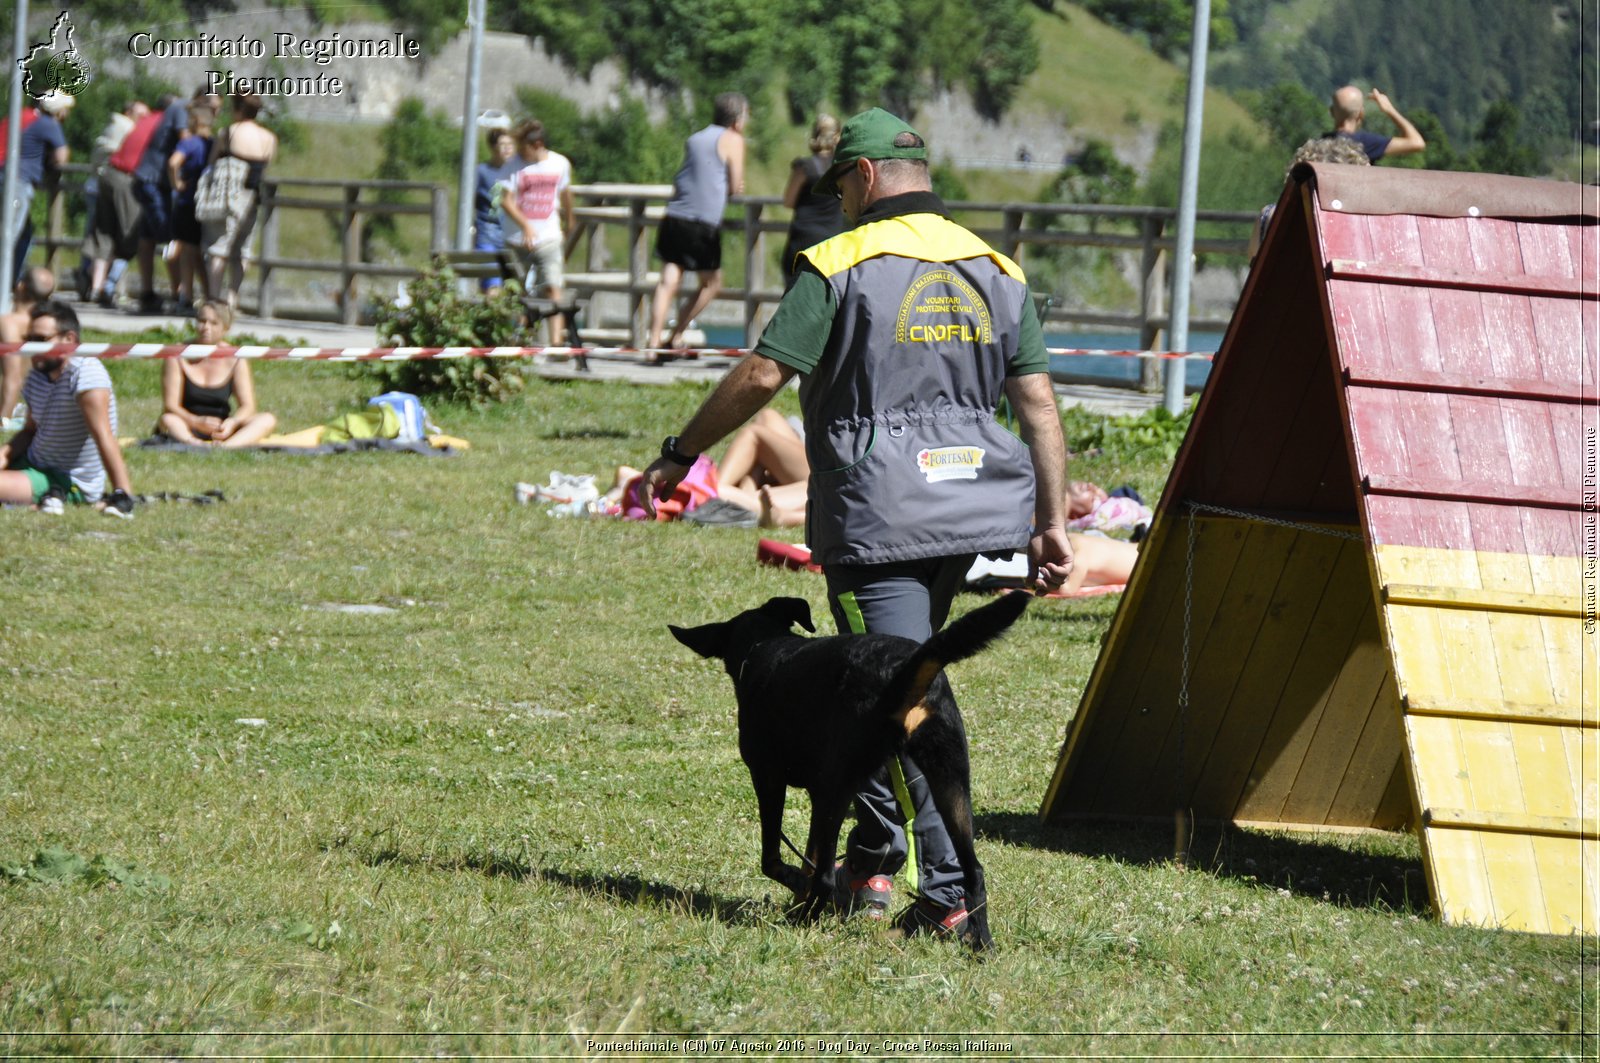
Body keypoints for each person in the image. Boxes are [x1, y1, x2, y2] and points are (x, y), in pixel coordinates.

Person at [638, 108, 1073, 937]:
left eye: (840, 183)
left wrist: (681, 449)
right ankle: (873, 856)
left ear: (865, 177)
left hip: (882, 518)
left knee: (893, 701)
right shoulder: (997, 265)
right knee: (903, 680)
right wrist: (1050, 520)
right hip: (976, 511)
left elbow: (765, 369)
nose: (837, 198)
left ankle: (947, 892)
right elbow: (1039, 402)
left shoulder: (839, 261)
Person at [0, 300, 134, 517]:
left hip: (66, 479)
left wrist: (123, 493)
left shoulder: (86, 374)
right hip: (33, 463)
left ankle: (52, 498)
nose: (32, 347)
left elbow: (104, 436)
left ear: (69, 340)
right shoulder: (36, 375)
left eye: (41, 340)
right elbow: (30, 430)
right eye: (29, 339)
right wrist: (4, 454)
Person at [646, 92, 748, 361]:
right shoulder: (733, 139)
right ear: (737, 119)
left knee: (668, 280)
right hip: (703, 221)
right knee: (712, 283)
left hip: (675, 214)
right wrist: (734, 186)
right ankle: (676, 335)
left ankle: (653, 342)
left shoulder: (695, 138)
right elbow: (735, 185)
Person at [134, 87, 219, 312]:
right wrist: (177, 184)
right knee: (172, 240)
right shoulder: (185, 113)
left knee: (159, 239)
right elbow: (181, 151)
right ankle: (180, 292)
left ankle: (168, 293)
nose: (215, 115)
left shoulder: (188, 127)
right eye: (213, 110)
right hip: (157, 182)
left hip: (166, 188)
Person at [153, 300, 277, 447]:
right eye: (202, 321)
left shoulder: (236, 358)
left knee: (267, 419)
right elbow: (170, 405)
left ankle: (226, 447)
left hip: (221, 427)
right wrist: (196, 421)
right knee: (168, 419)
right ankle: (196, 444)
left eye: (213, 323)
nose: (206, 327)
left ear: (226, 328)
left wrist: (232, 423)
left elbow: (248, 406)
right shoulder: (177, 354)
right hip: (187, 424)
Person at [499, 120, 573, 344]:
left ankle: (556, 345)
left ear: (537, 144)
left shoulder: (559, 163)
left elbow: (566, 193)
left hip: (549, 236)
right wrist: (526, 226)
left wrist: (570, 219)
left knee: (552, 287)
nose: (520, 152)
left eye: (524, 147)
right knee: (519, 294)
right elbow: (506, 201)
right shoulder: (513, 166)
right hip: (517, 239)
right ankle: (521, 341)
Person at [88, 96, 166, 309]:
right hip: (126, 179)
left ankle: (96, 288)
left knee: (104, 233)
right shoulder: (163, 124)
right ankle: (109, 286)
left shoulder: (143, 122)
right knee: (131, 236)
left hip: (109, 174)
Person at [202, 93, 276, 310]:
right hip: (252, 196)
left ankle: (214, 298)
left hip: (228, 196)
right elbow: (266, 165)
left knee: (219, 247)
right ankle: (233, 297)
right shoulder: (269, 138)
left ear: (237, 109)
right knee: (242, 250)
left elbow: (212, 162)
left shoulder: (229, 133)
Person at [75, 99, 149, 303]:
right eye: (139, 114)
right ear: (128, 112)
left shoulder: (115, 126)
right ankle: (104, 285)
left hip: (100, 184)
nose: (142, 119)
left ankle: (94, 284)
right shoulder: (123, 127)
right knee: (119, 236)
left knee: (101, 235)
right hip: (116, 185)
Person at [780, 114, 847, 288]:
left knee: (793, 294)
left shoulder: (805, 167)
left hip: (802, 238)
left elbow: (788, 201)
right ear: (837, 137)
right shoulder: (842, 168)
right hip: (830, 240)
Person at [12, 90, 72, 283]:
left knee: (23, 233)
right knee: (12, 233)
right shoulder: (48, 123)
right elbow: (61, 157)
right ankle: (7, 282)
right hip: (18, 182)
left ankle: (12, 279)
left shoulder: (25, 118)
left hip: (9, 177)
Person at [167, 102, 215, 311]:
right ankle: (205, 294)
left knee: (188, 250)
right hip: (206, 202)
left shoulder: (190, 143)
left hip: (187, 201)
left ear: (195, 122)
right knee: (195, 251)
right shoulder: (213, 144)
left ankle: (189, 295)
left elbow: (173, 162)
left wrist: (175, 183)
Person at [1, 266, 56, 421]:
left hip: (13, 407)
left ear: (21, 286)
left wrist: (4, 419)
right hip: (37, 407)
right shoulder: (47, 324)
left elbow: (13, 376)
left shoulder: (9, 323)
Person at [472, 125, 522, 290]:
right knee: (492, 284)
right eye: (503, 145)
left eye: (511, 144)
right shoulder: (481, 171)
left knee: (512, 286)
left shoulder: (518, 172)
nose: (508, 149)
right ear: (493, 147)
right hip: (487, 232)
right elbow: (469, 200)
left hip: (511, 235)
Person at [1327, 85, 1425, 164]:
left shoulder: (1321, 144)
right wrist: (1390, 109)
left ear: (1331, 112)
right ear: (1361, 114)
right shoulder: (1365, 143)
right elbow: (1417, 143)